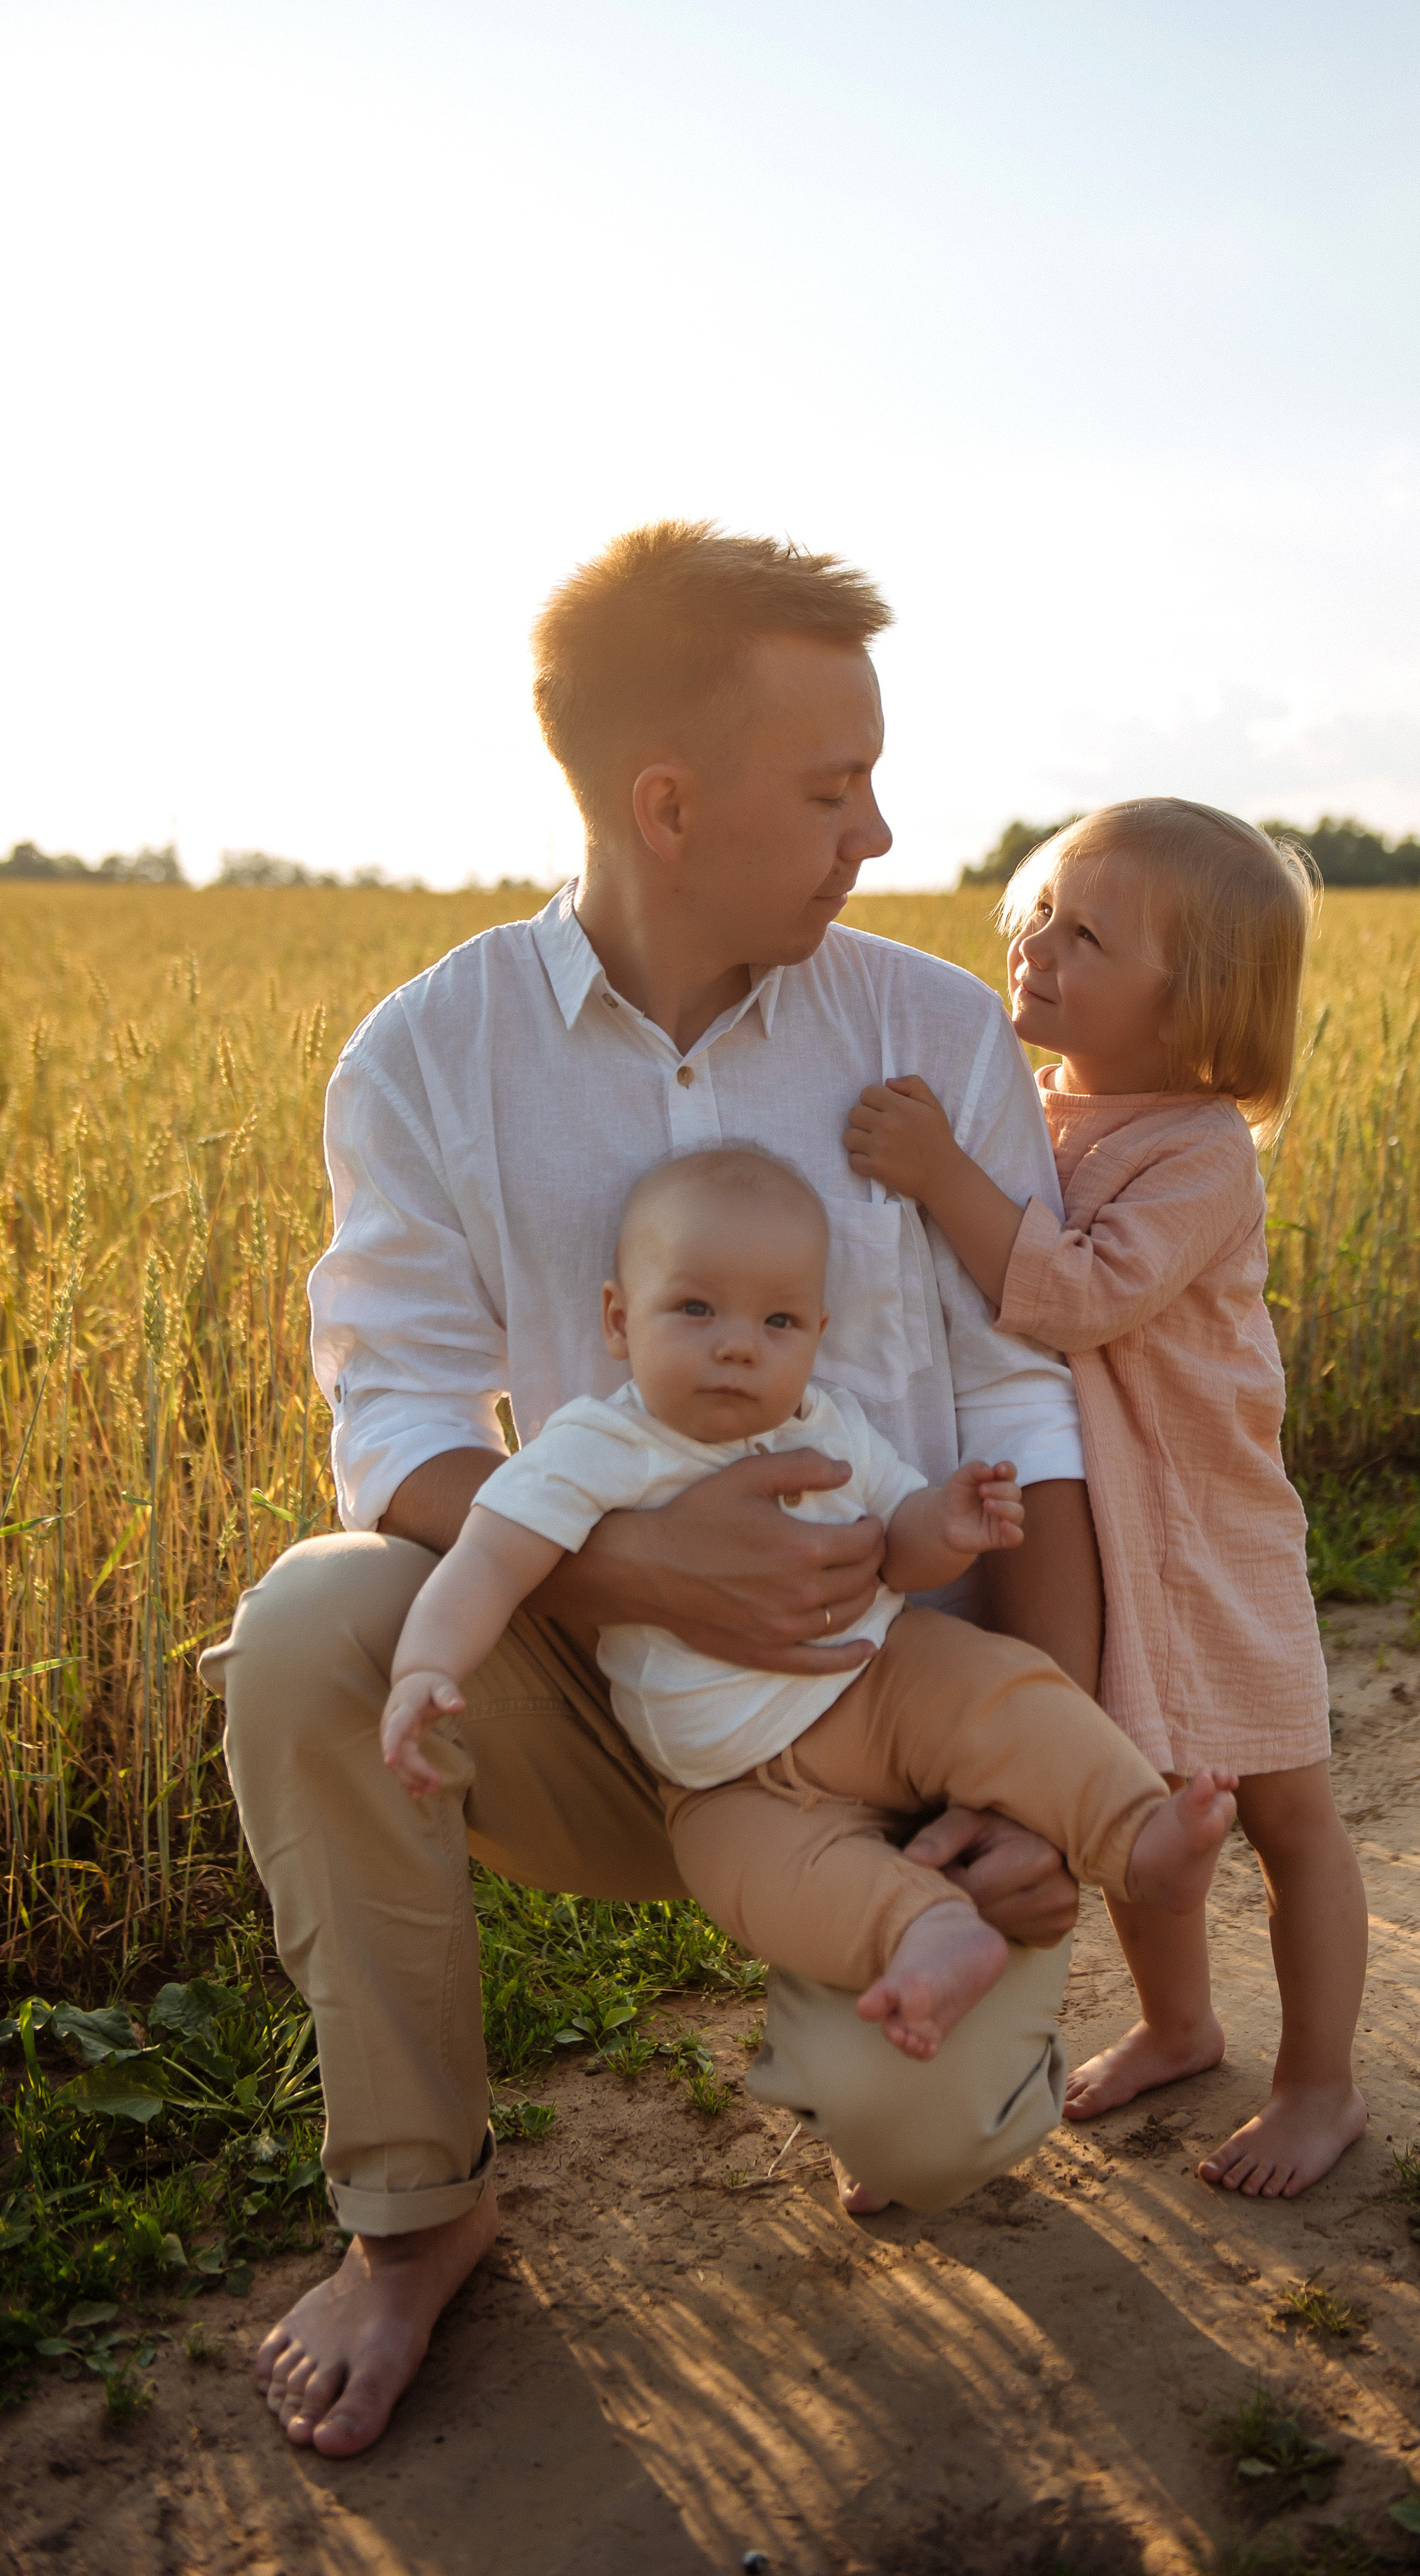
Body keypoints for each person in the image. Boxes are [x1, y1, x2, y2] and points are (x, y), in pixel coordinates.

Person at [199, 521, 1106, 2460]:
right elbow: (402, 1424)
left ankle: (865, 2002)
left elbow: (1034, 1416)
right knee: (308, 1626)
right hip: (619, 1722)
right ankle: (419, 2215)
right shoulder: (429, 1057)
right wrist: (632, 1570)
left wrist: (1056, 1786)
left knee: (925, 2138)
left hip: (901, 1725)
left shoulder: (929, 1033)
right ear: (667, 802)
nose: (879, 829)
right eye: (834, 786)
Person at [382, 1142, 1240, 2059]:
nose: (739, 1342)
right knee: (763, 1880)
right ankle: (925, 1934)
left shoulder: (828, 1426)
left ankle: (1137, 1830)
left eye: (779, 1320)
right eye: (696, 1308)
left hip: (882, 1689)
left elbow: (898, 1546)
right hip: (725, 1780)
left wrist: (943, 1524)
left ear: (819, 1334)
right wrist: (425, 1664)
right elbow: (488, 1560)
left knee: (1002, 1692)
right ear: (619, 1320)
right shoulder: (599, 1446)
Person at [844, 797, 1369, 2200]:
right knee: (1142, 1798)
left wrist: (942, 1174)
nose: (1037, 948)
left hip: (1209, 1537)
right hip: (1112, 1538)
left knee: (1281, 1815)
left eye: (1087, 936)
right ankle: (1179, 2025)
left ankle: (1318, 2086)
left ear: (1190, 998)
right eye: (1038, 914)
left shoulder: (1196, 1150)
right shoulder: (1036, 1112)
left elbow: (1079, 1298)